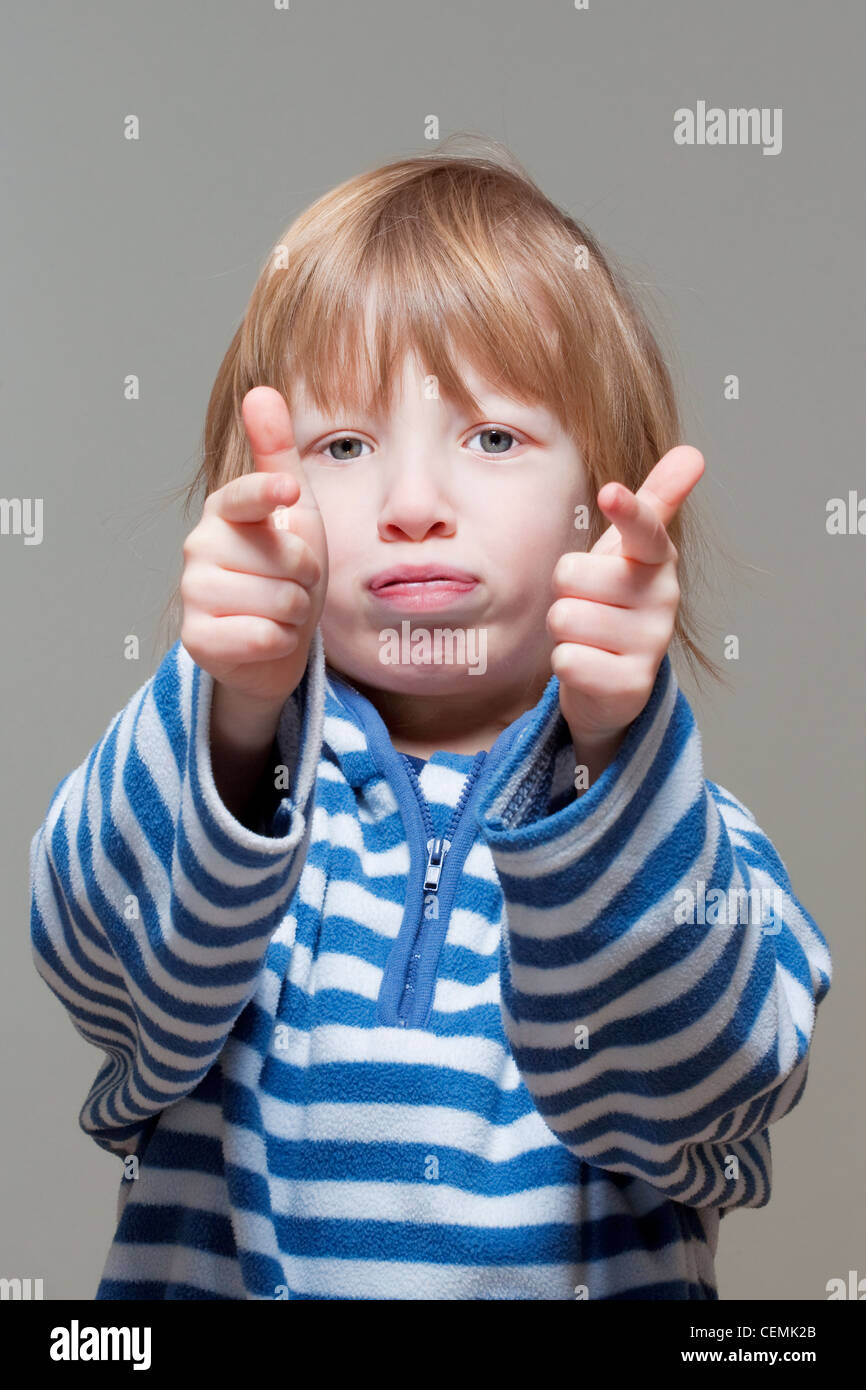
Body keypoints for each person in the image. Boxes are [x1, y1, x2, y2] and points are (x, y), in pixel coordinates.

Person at [29, 138, 832, 1300]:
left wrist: (614, 762)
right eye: (344, 446)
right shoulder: (226, 799)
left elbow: (708, 1090)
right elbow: (96, 967)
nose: (411, 505)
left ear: (598, 499)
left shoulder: (689, 839)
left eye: (492, 438)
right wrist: (232, 713)